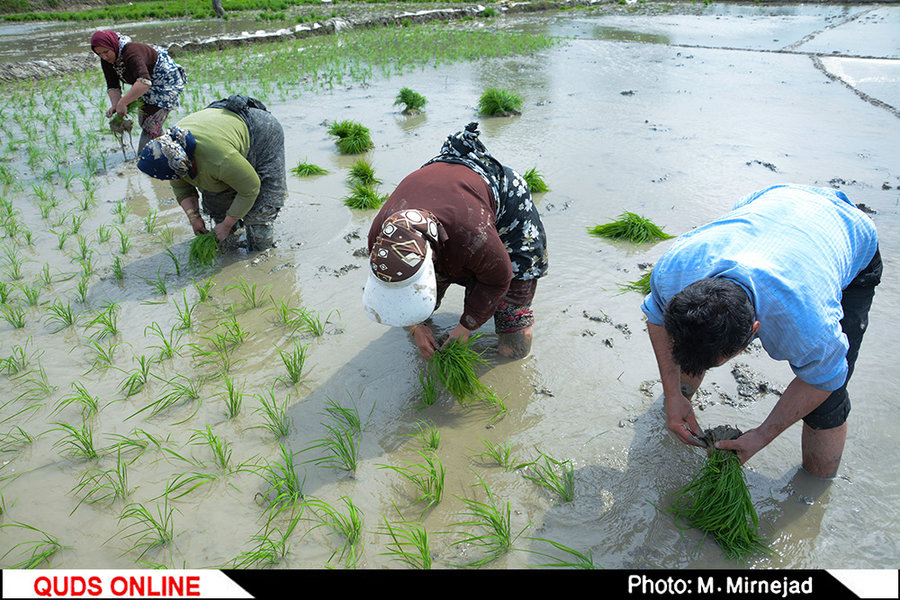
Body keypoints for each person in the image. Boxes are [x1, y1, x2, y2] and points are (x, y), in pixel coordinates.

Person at [642, 184, 880, 479]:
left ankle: (814, 489)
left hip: (848, 232)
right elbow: (657, 317)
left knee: (826, 402)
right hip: (777, 200)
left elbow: (825, 379)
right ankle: (681, 405)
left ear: (754, 331)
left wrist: (762, 435)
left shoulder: (809, 325)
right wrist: (673, 394)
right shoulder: (675, 271)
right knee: (694, 346)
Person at [363, 123, 549, 360]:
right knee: (420, 306)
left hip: (505, 209)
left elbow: (498, 278)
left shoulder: (472, 235)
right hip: (451, 208)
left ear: (430, 258)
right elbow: (396, 292)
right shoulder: (380, 238)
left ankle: (513, 355)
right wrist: (416, 328)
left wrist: (466, 327)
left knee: (512, 338)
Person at [136, 95, 286, 251]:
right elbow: (181, 187)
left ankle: (261, 250)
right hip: (221, 136)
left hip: (261, 133)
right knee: (217, 205)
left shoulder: (217, 159)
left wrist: (227, 225)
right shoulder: (172, 154)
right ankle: (231, 237)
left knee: (260, 212)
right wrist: (194, 218)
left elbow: (251, 187)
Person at [90, 30, 187, 150]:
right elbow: (112, 85)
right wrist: (115, 105)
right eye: (99, 54)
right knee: (144, 121)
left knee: (151, 123)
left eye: (106, 52)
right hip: (146, 83)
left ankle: (147, 157)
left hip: (165, 82)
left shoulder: (131, 52)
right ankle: (165, 150)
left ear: (112, 45)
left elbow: (144, 82)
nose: (104, 56)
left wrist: (123, 102)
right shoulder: (106, 60)